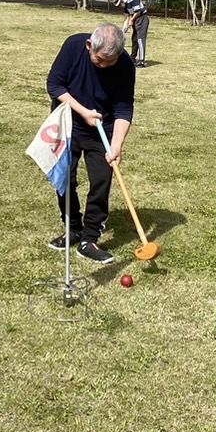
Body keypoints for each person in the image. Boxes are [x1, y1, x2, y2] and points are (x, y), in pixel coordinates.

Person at [45, 22, 135, 265]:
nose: (104, 65)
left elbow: (124, 107)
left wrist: (117, 144)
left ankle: (90, 238)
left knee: (101, 180)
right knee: (65, 178)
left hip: (102, 129)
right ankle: (73, 228)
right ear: (89, 46)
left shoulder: (125, 64)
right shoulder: (74, 46)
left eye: (110, 61)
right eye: (99, 60)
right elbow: (54, 85)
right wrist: (83, 111)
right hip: (68, 122)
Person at [107, 0, 150, 66]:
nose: (120, 4)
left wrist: (132, 20)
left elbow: (138, 12)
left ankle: (141, 61)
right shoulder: (125, 3)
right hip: (135, 19)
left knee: (140, 40)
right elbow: (126, 16)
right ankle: (132, 58)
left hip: (142, 18)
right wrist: (124, 29)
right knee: (134, 39)